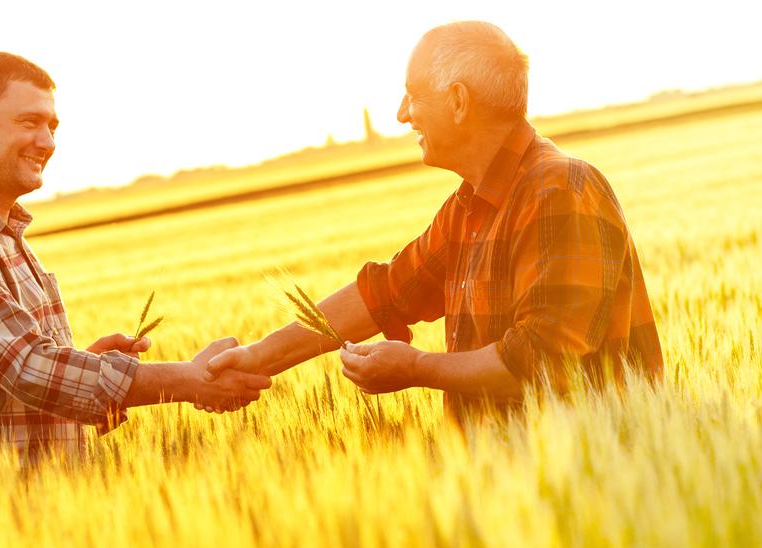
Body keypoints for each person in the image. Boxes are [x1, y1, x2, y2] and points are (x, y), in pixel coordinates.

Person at [207, 21, 663, 422]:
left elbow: (542, 362)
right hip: (512, 491)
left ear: (458, 100)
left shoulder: (561, 190)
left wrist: (415, 368)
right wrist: (257, 358)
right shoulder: (469, 207)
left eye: (413, 95)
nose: (402, 114)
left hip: (580, 487)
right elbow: (386, 293)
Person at [0, 52, 270, 472]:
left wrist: (85, 362)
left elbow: (18, 382)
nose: (48, 142)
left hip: (44, 513)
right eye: (29, 122)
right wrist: (187, 380)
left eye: (51, 127)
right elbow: (30, 368)